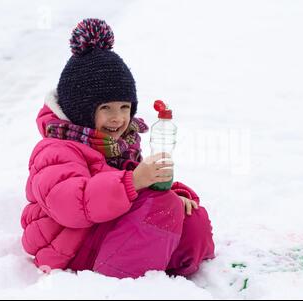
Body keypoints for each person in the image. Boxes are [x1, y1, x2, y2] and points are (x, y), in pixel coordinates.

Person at [21, 18, 215, 279]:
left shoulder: (119, 146)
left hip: (106, 235)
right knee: (162, 207)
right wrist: (134, 182)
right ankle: (122, 289)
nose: (118, 118)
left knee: (189, 216)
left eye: (125, 108)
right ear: (82, 110)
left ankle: (170, 273)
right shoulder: (55, 149)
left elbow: (136, 193)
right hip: (71, 247)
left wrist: (168, 193)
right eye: (105, 108)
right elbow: (70, 205)